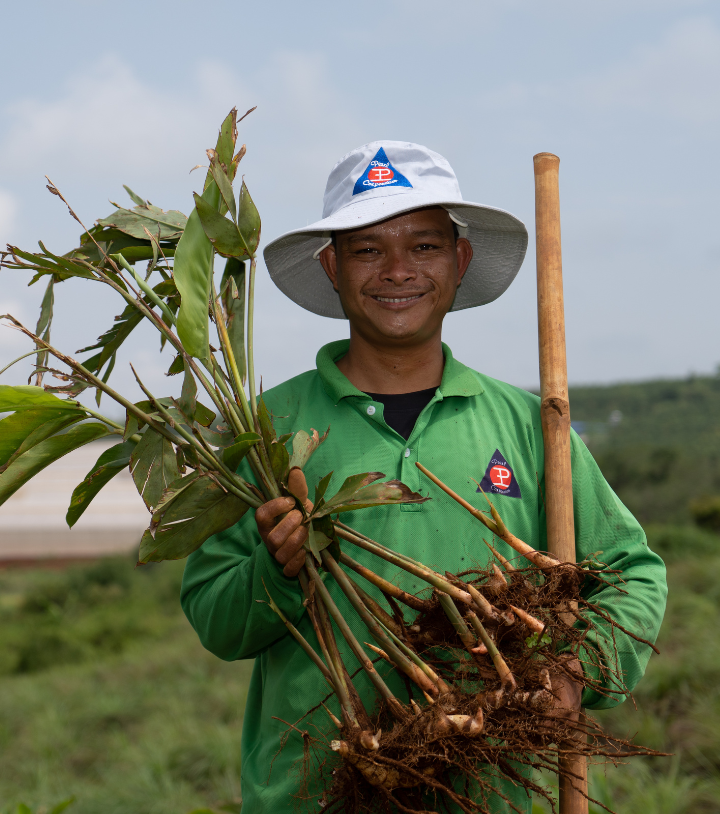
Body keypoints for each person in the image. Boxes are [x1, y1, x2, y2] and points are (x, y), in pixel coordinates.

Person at [180, 141, 667, 813]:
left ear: (459, 261)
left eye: (425, 246)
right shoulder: (262, 431)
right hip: (313, 792)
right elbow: (215, 617)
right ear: (332, 267)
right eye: (367, 249)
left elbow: (632, 571)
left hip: (496, 790)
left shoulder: (531, 426)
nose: (397, 270)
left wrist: (580, 669)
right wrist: (276, 568)